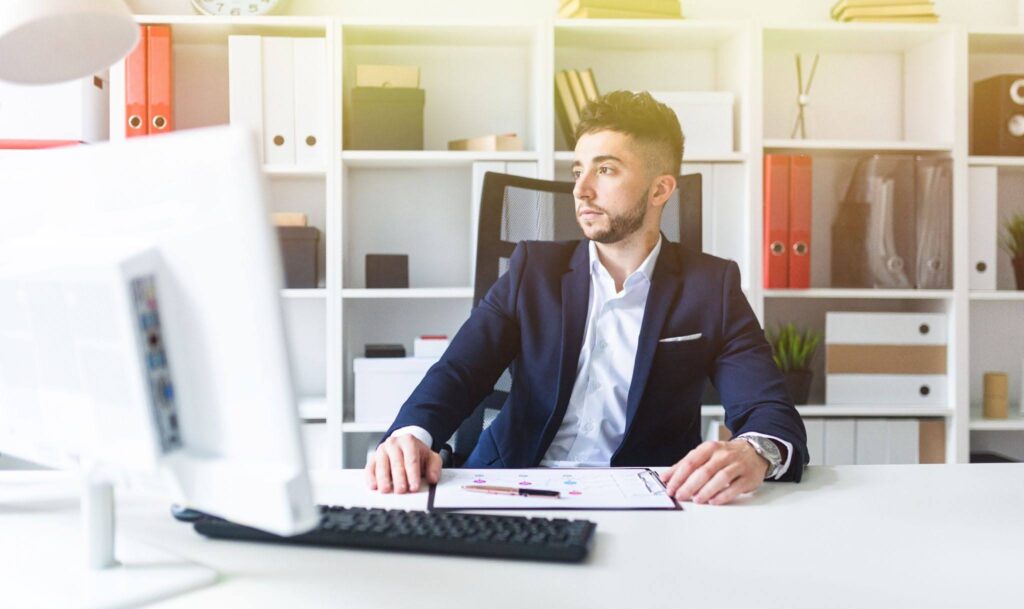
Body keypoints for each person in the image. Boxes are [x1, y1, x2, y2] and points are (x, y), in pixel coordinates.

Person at [365, 90, 807, 506]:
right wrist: (412, 435)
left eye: (606, 169)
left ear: (660, 190)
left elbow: (768, 410)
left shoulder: (713, 287)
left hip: (644, 498)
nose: (580, 189)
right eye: (579, 170)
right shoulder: (531, 271)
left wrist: (755, 451)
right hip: (515, 485)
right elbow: (459, 372)